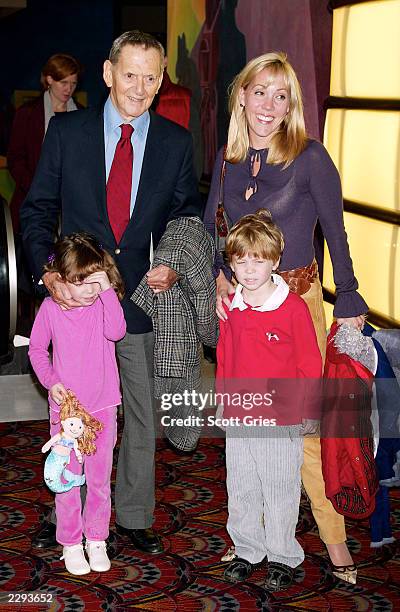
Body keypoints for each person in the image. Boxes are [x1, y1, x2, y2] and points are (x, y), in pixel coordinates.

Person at [21, 30, 202, 554]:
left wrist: (170, 260)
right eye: (130, 74)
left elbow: (186, 215)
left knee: (140, 414)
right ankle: (69, 503)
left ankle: (133, 515)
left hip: (140, 302)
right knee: (74, 410)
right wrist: (50, 276)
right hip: (76, 308)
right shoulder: (68, 133)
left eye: (151, 77)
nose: (140, 87)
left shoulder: (174, 142)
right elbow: (36, 212)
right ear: (108, 73)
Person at [203, 51, 368, 583]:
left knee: (308, 432)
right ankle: (249, 538)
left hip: (297, 310)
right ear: (242, 97)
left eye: (281, 95)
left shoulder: (310, 156)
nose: (269, 105)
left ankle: (334, 539)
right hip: (243, 313)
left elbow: (336, 234)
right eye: (260, 92)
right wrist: (220, 277)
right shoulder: (228, 159)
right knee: (248, 429)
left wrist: (350, 296)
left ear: (291, 104)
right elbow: (213, 227)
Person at [216, 210, 322, 590]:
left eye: (258, 260)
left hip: (281, 416)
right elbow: (225, 357)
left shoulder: (292, 308)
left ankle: (282, 555)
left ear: (274, 261)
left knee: (280, 487)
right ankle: (247, 549)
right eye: (240, 261)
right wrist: (224, 401)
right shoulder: (232, 307)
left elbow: (310, 362)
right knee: (242, 486)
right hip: (241, 414)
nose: (248, 270)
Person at [29, 233, 126, 575]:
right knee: (67, 480)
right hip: (67, 412)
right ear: (61, 280)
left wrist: (108, 290)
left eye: (94, 280)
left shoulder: (102, 302)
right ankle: (70, 542)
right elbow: (37, 350)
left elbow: (117, 331)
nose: (88, 289)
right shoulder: (51, 309)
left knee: (99, 479)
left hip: (102, 408)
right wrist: (51, 382)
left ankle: (96, 538)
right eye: (80, 282)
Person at [8, 53, 83, 232]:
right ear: (49, 79)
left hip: (72, 207)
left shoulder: (82, 114)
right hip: (33, 202)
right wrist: (37, 188)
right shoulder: (27, 113)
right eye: (63, 83)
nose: (69, 89)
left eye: (73, 84)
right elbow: (15, 159)